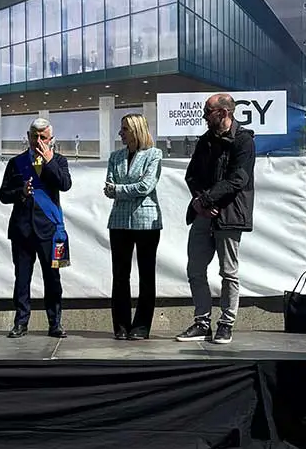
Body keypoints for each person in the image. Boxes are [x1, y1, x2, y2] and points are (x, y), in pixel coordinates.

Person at [176, 93, 256, 345]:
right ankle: (202, 322)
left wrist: (208, 201)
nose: (203, 116)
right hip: (203, 214)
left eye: (207, 112)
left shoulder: (244, 141)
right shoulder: (205, 141)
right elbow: (192, 176)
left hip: (229, 214)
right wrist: (201, 202)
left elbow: (238, 179)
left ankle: (226, 324)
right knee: (195, 269)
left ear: (223, 113)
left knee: (228, 271)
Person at [0, 117, 72, 338]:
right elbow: (3, 194)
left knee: (53, 279)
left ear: (51, 140)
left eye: (43, 137)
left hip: (49, 231)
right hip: (22, 230)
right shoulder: (17, 162)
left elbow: (65, 185)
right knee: (22, 279)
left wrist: (48, 161)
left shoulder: (58, 160)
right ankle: (21, 322)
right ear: (28, 137)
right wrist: (20, 192)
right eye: (34, 136)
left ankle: (55, 323)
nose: (38, 141)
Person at [103, 113, 163, 340]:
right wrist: (120, 189)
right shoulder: (115, 156)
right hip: (118, 222)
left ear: (136, 131)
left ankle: (141, 326)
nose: (120, 133)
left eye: (124, 129)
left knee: (146, 276)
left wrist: (119, 190)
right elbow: (108, 187)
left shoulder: (154, 154)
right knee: (120, 275)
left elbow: (145, 186)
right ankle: (120, 325)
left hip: (147, 223)